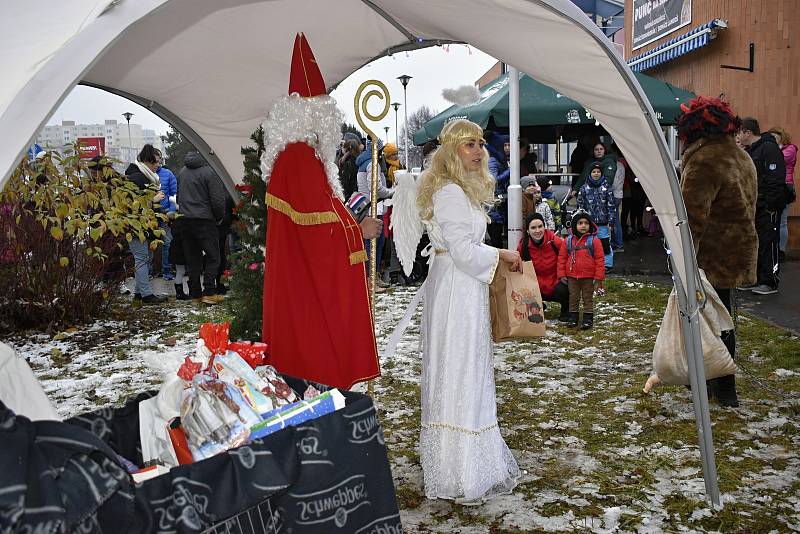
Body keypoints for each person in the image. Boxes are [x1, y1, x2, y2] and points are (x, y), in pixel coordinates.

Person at [415, 118, 521, 503]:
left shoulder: (460, 191)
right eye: (468, 145)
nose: (478, 151)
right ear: (451, 152)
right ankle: (456, 470)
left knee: (467, 368)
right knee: (458, 369)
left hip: (463, 287)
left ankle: (467, 465)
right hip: (456, 291)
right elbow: (461, 252)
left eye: (479, 143)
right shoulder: (449, 194)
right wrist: (502, 253)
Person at [678, 96, 757, 407]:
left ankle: (720, 384)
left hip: (709, 255)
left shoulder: (704, 160)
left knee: (711, 319)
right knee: (721, 316)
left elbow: (692, 218)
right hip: (738, 248)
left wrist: (684, 261)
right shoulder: (741, 157)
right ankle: (718, 384)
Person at [737, 117, 786, 295]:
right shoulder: (752, 151)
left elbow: (775, 179)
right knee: (756, 243)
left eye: (739, 132)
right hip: (755, 205)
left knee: (769, 243)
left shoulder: (768, 149)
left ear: (747, 132)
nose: (737, 136)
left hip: (767, 206)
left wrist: (771, 205)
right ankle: (756, 278)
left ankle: (770, 281)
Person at [176, 151, 227, 304]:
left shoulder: (182, 172)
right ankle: (209, 292)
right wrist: (218, 218)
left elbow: (178, 197)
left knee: (193, 259)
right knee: (213, 257)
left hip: (185, 220)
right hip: (205, 220)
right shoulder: (210, 172)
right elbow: (217, 200)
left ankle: (195, 294)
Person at [124, 144, 167, 304]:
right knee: (142, 259)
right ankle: (147, 295)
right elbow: (131, 205)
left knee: (145, 258)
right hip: (136, 227)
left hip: (143, 226)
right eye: (155, 162)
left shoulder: (144, 176)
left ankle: (139, 292)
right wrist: (152, 200)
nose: (158, 165)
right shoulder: (137, 178)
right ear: (146, 161)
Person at [557, 210, 605, 329]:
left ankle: (588, 318)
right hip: (572, 276)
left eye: (586, 223)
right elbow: (562, 258)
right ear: (574, 225)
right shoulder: (568, 241)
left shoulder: (594, 241)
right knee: (573, 297)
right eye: (580, 223)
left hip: (588, 276)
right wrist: (562, 274)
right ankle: (573, 317)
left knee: (587, 297)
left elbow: (600, 259)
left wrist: (599, 277)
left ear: (590, 225)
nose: (583, 226)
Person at [517, 212, 570, 321]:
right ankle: (537, 305)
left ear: (544, 227)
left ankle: (566, 309)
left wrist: (564, 275)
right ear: (527, 230)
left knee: (565, 288)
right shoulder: (523, 246)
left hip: (556, 281)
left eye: (540, 226)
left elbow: (567, 257)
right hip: (535, 285)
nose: (537, 231)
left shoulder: (555, 241)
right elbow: (517, 265)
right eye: (533, 228)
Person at [577, 163, 617, 269]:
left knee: (605, 244)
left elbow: (611, 206)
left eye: (598, 172)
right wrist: (580, 221)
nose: (596, 174)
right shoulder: (584, 188)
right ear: (590, 173)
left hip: (603, 223)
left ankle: (607, 264)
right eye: (594, 171)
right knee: (589, 244)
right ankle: (590, 263)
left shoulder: (606, 187)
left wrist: (611, 221)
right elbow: (580, 206)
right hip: (588, 223)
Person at [767, 127, 797, 262]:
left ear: (782, 137)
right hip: (773, 186)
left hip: (785, 187)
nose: (772, 140)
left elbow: (777, 160)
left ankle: (781, 251)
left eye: (775, 137)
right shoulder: (774, 149)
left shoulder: (790, 149)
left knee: (783, 222)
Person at [154, 148, 177, 280]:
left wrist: (172, 209)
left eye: (159, 160)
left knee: (167, 242)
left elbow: (173, 193)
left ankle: (167, 270)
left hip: (165, 214)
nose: (157, 163)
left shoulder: (168, 174)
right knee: (149, 244)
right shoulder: (144, 174)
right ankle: (150, 271)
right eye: (154, 161)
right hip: (149, 214)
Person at [486, 131, 510, 248]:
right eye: (505, 145)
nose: (507, 148)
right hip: (495, 205)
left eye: (509, 145)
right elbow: (494, 180)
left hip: (501, 204)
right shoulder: (493, 160)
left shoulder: (501, 159)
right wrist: (511, 171)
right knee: (496, 240)